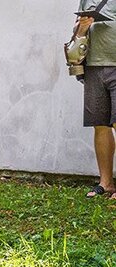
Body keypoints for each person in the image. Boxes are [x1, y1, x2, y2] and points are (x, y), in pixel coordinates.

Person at [75, 2, 116, 199]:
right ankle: (106, 183)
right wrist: (82, 26)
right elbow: (77, 34)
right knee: (100, 125)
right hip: (93, 65)